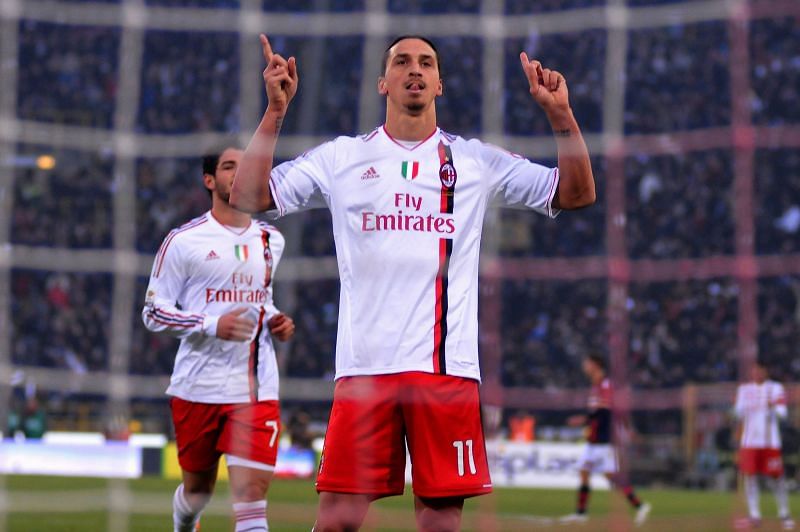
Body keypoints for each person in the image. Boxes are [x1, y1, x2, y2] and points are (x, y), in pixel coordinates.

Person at [231, 34, 596, 531]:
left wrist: (561, 117)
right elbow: (249, 197)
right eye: (401, 61)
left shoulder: (473, 161)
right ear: (384, 81)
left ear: (439, 84)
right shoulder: (341, 158)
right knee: (336, 521)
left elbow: (574, 194)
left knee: (440, 524)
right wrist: (275, 112)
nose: (414, 69)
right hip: (364, 371)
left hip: (446, 374)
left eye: (426, 62)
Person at [142, 145, 295, 532]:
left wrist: (276, 320)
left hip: (255, 387)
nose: (239, 174)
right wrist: (212, 324)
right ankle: (184, 523)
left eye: (246, 167)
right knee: (198, 491)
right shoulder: (183, 241)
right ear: (210, 180)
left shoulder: (271, 240)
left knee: (251, 493)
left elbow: (261, 299)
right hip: (198, 385)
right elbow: (153, 312)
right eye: (229, 167)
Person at [560, 354, 651, 526]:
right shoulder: (595, 386)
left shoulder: (606, 385)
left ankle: (640, 506)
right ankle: (581, 514)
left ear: (596, 365)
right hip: (594, 439)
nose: (584, 367)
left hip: (603, 440)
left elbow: (605, 411)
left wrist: (584, 420)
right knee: (584, 472)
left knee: (611, 477)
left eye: (586, 363)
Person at [734, 360, 794, 530]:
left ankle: (784, 513)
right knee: (750, 477)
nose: (757, 373)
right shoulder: (744, 390)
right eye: (754, 370)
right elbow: (737, 413)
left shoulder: (775, 388)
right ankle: (754, 515)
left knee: (777, 478)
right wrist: (738, 411)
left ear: (766, 371)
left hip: (770, 442)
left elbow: (783, 414)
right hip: (749, 442)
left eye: (760, 370)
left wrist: (772, 406)